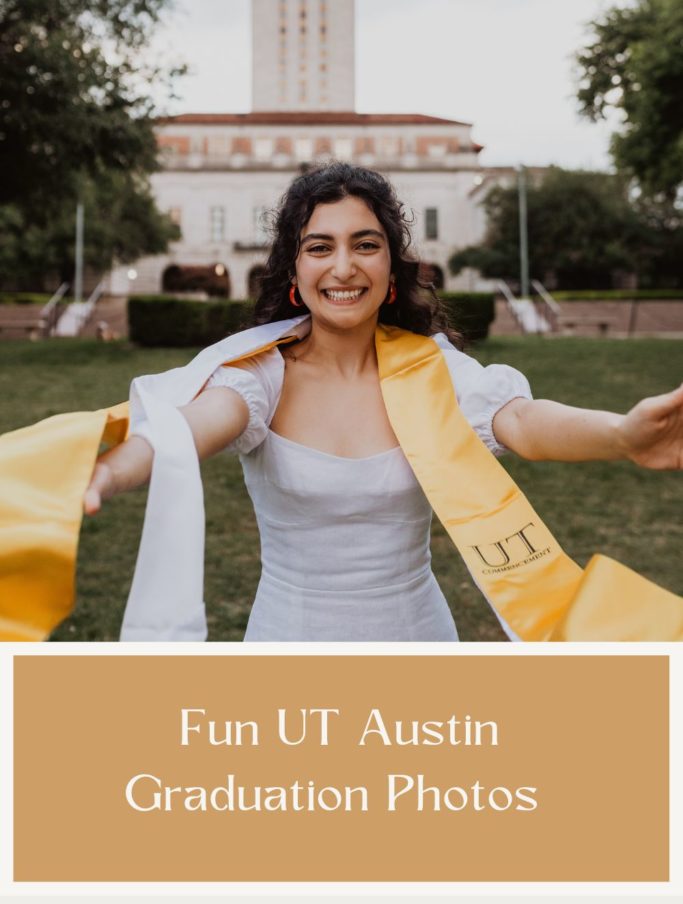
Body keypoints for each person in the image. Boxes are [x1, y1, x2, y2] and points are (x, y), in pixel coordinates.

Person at [81, 163, 682, 642]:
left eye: (364, 244)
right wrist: (107, 470)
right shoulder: (260, 374)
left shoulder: (430, 366)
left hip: (420, 648)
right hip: (287, 654)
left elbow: (520, 421)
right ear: (296, 267)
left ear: (391, 265)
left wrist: (622, 435)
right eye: (320, 247)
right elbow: (188, 427)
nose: (343, 266)